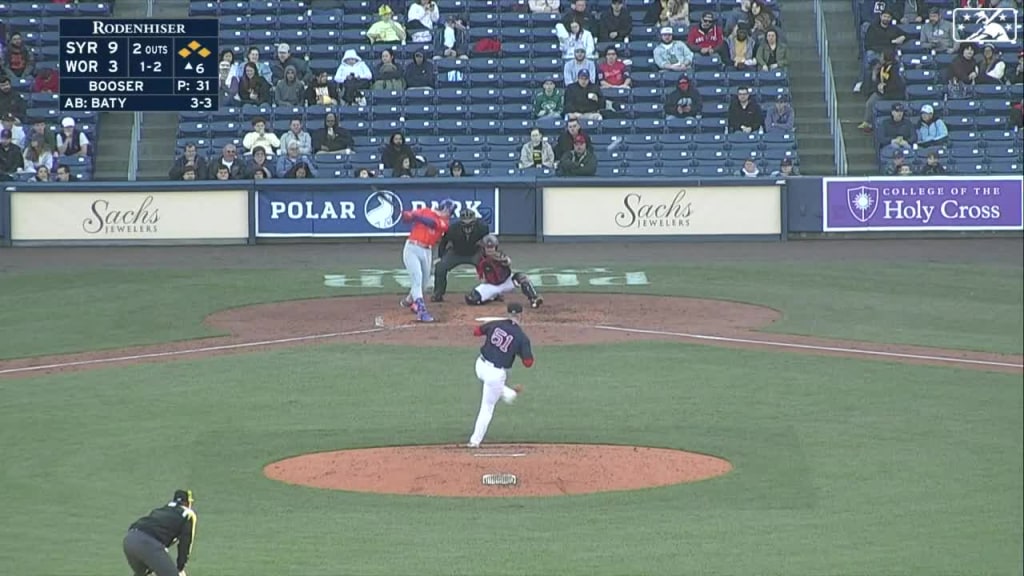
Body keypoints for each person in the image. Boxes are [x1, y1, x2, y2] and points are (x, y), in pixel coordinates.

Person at [467, 302, 534, 448]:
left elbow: (476, 332)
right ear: (521, 316)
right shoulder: (522, 338)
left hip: (480, 365)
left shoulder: (495, 324)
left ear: (508, 313)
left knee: (494, 387)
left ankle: (509, 393)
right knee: (487, 407)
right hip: (495, 374)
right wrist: (516, 349)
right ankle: (474, 441)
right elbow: (528, 362)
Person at [399, 199, 455, 322]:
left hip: (427, 251)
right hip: (412, 248)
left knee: (424, 282)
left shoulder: (445, 223)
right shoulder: (425, 211)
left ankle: (410, 300)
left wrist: (416, 217)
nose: (449, 214)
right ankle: (421, 311)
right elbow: (406, 219)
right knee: (417, 278)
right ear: (443, 208)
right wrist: (407, 216)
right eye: (449, 210)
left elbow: (432, 223)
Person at [123, 489, 197, 576]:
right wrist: (180, 568)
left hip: (129, 540)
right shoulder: (188, 513)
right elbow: (185, 544)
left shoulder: (162, 510)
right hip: (147, 543)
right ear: (188, 503)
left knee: (143, 573)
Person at [466, 234, 544, 308]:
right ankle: (493, 297)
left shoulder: (501, 256)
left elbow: (508, 262)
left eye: (492, 247)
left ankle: (534, 298)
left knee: (521, 277)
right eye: (488, 247)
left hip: (506, 282)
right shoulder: (480, 260)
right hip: (491, 285)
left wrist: (504, 260)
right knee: (473, 299)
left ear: (495, 247)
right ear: (484, 248)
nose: (490, 249)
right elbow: (482, 278)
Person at [432, 208, 490, 302]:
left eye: (470, 224)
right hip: (456, 252)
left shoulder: (482, 228)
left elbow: (488, 242)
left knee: (489, 266)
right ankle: (438, 293)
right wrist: (441, 257)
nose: (468, 227)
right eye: (465, 224)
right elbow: (443, 242)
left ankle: (493, 293)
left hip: (475, 252)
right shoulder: (452, 229)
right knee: (440, 267)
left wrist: (488, 256)